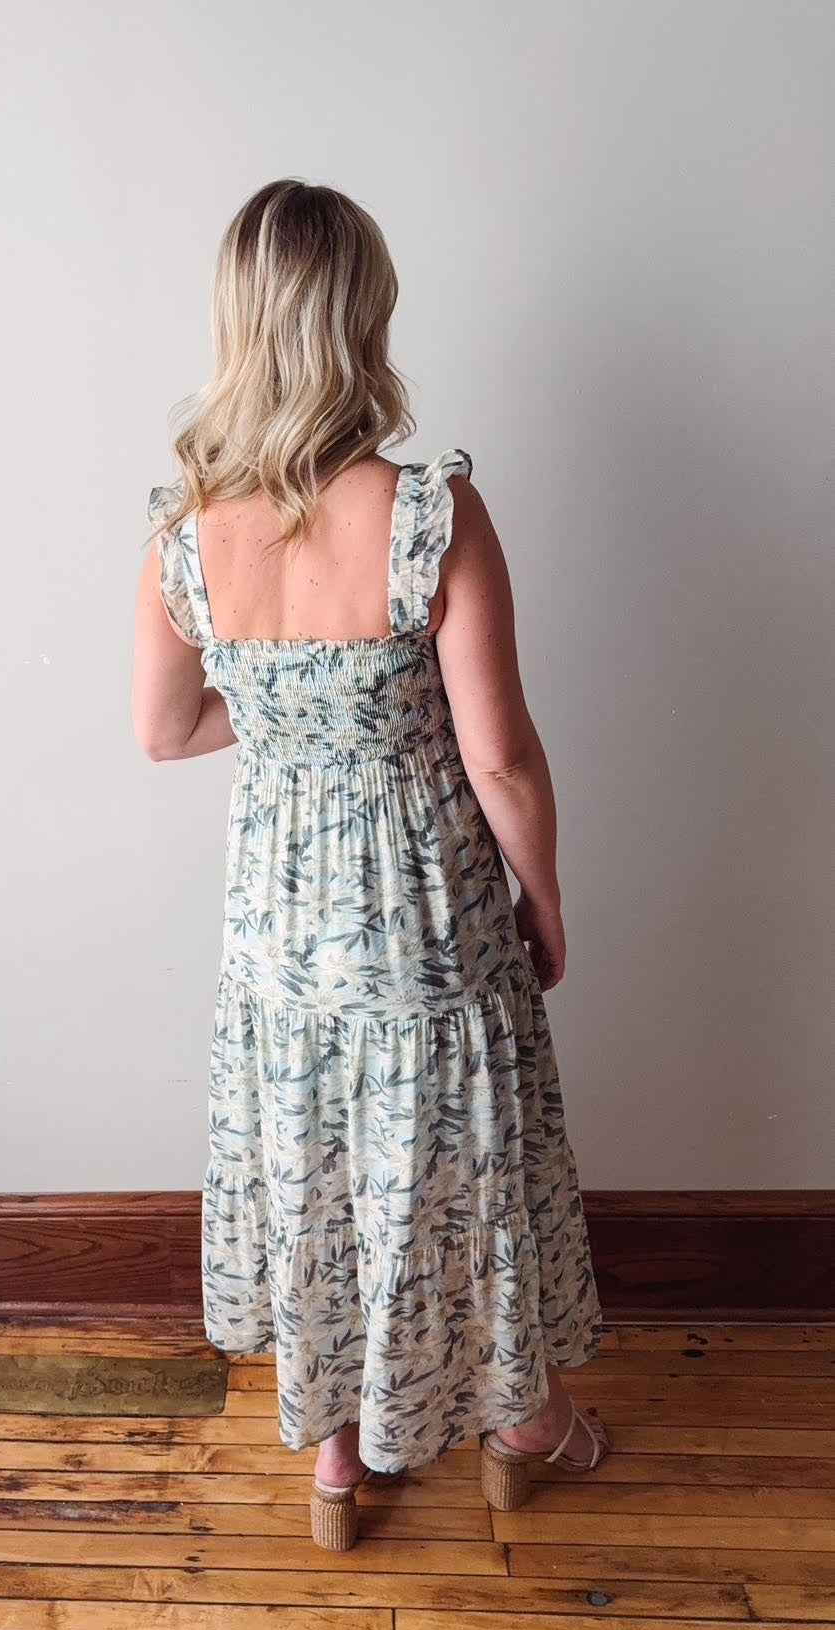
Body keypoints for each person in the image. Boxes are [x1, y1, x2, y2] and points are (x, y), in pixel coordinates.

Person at [132, 177, 610, 1551]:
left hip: (275, 927)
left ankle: (340, 1461)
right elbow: (502, 755)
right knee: (453, 1153)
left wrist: (292, 723)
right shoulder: (429, 514)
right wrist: (548, 897)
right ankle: (522, 1424)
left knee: (319, 1163)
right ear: (363, 319)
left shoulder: (183, 534)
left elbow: (166, 730)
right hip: (426, 915)